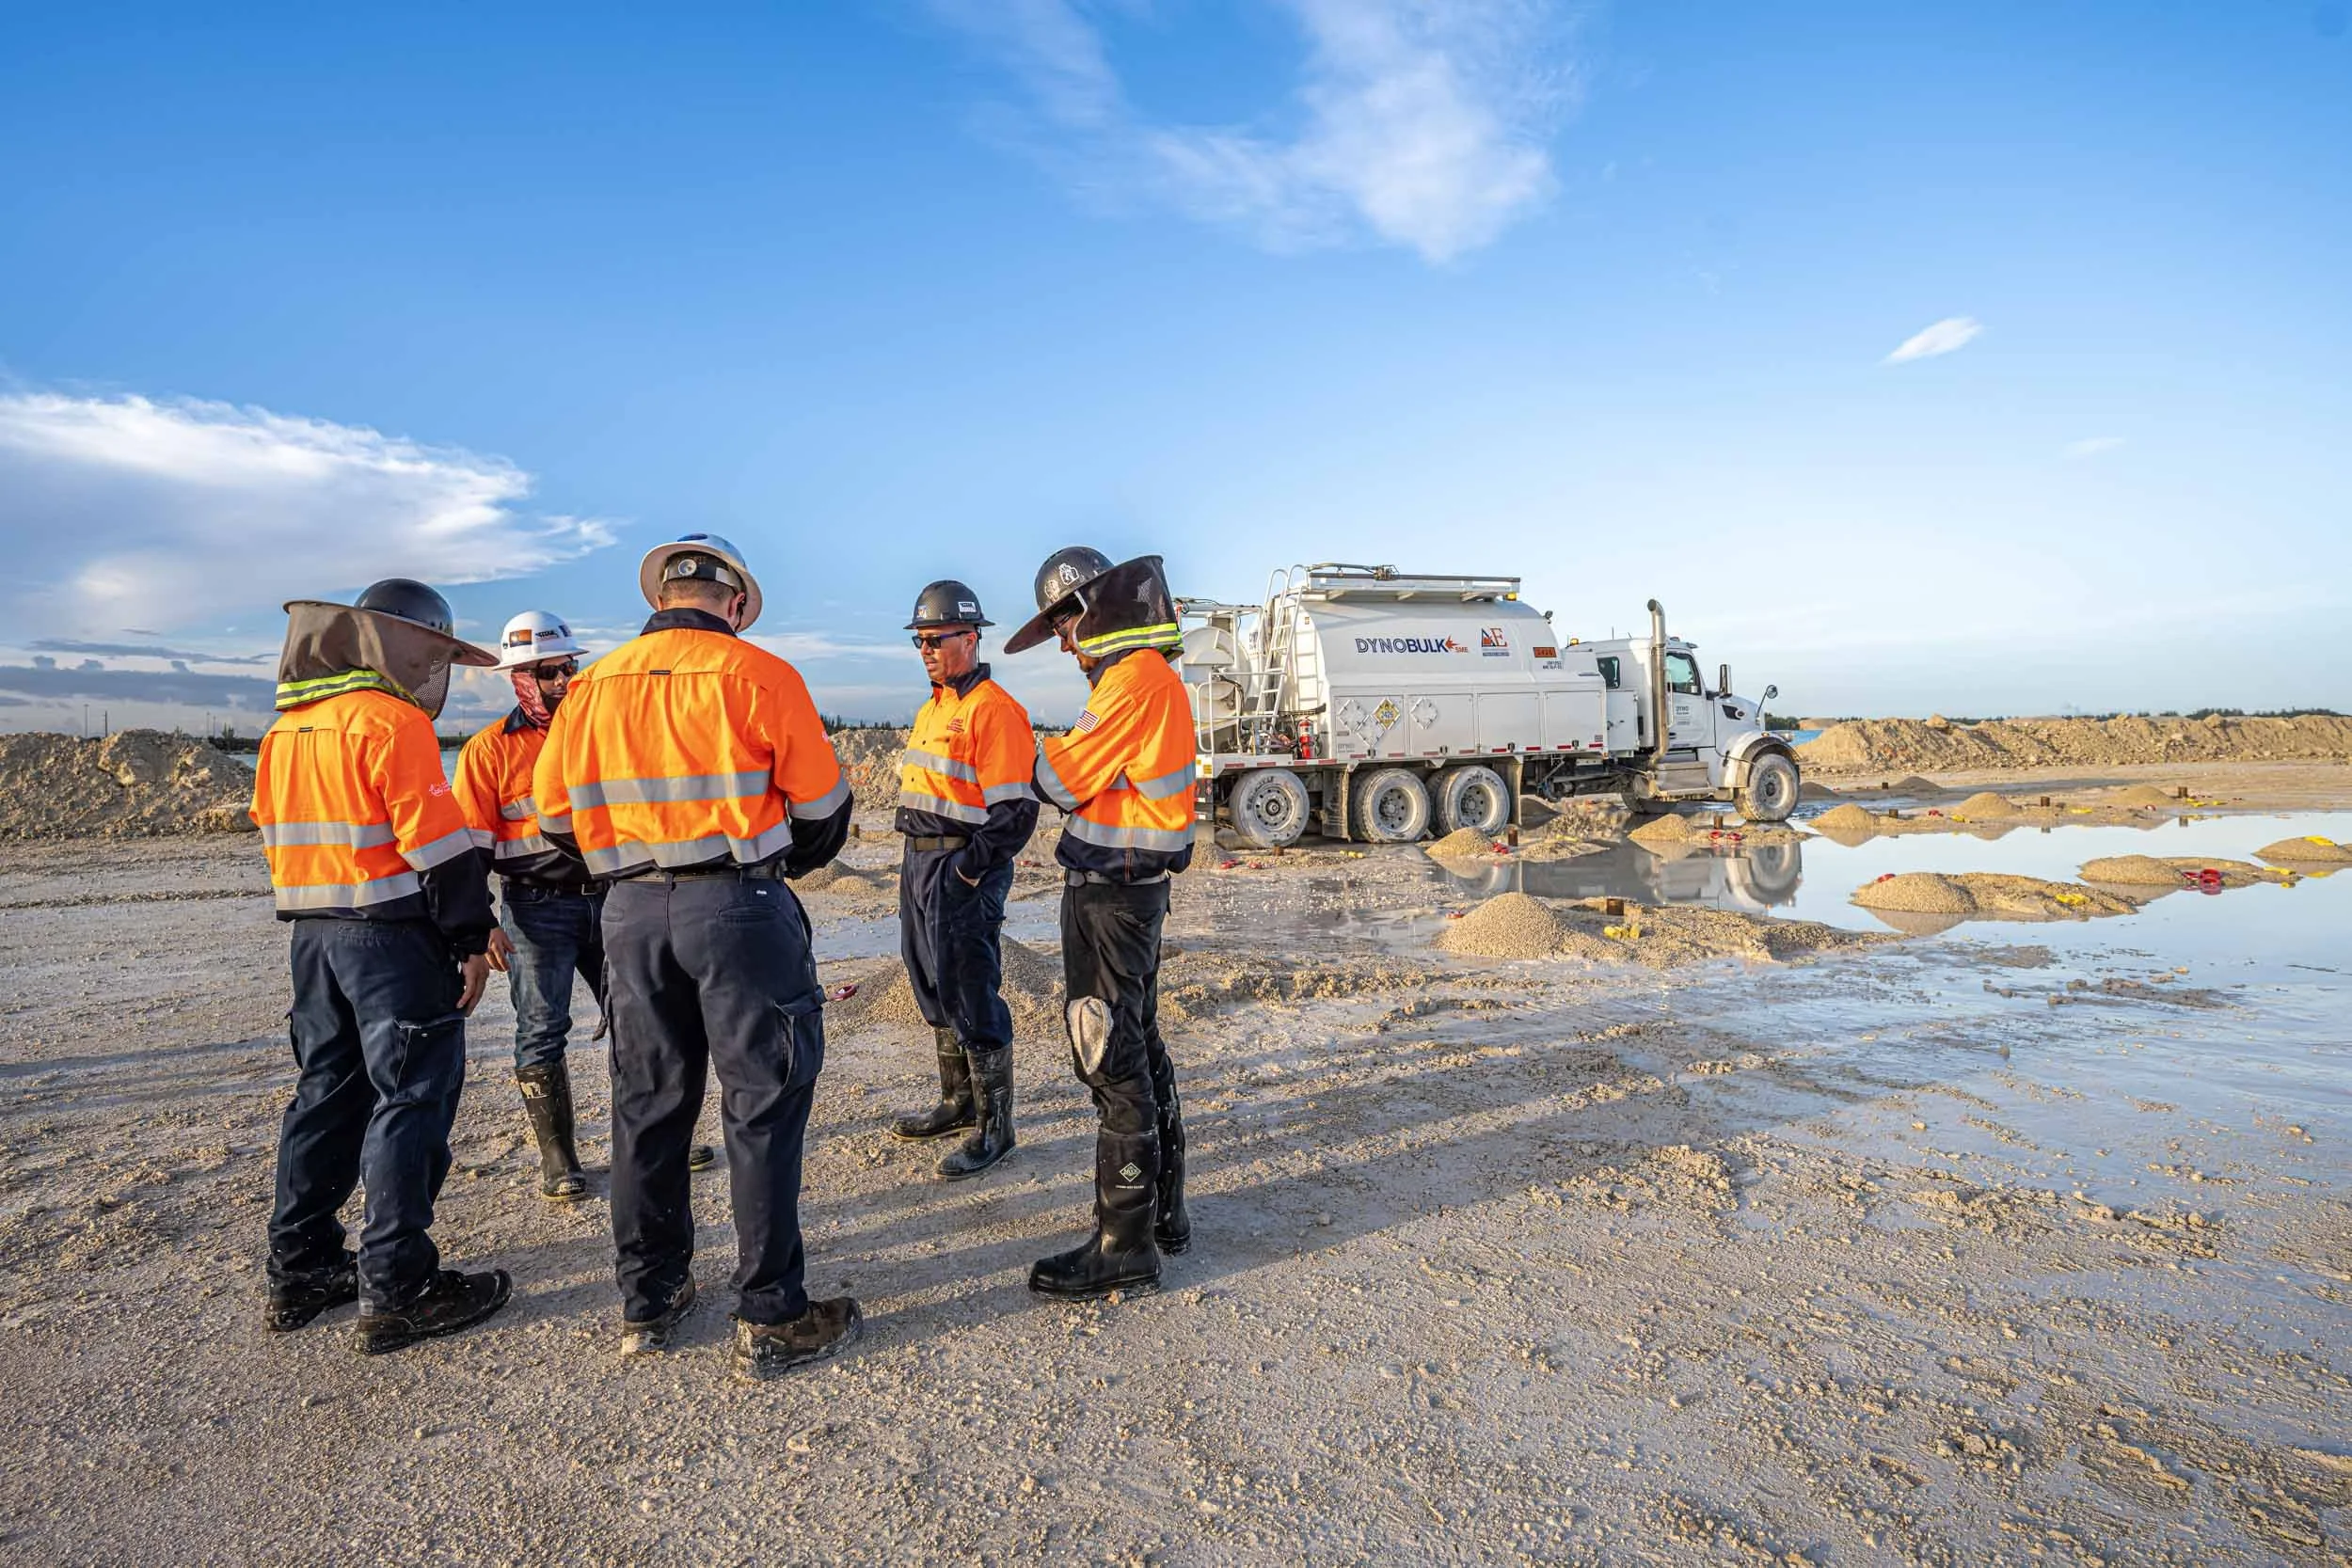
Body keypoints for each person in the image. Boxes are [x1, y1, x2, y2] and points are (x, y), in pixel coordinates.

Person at [534, 531, 863, 1377]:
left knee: (647, 1105)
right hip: (738, 905)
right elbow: (824, 809)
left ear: (661, 597)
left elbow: (553, 821)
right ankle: (770, 1312)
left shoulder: (591, 686)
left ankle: (650, 1298)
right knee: (762, 1102)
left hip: (629, 912)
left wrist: (630, 865)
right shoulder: (762, 676)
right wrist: (762, 865)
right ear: (737, 602)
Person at [252, 578, 514, 1354]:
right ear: (404, 648)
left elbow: (274, 831)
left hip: (313, 940)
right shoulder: (389, 721)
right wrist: (471, 938)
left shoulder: (284, 731)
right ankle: (399, 1285)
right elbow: (440, 848)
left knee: (325, 1096)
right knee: (413, 1097)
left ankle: (300, 1268)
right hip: (389, 941)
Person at [1003, 547, 1196, 1300]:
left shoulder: (1132, 682)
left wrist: (1015, 739)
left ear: (1093, 609)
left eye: (1063, 621)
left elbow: (1058, 778)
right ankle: (1163, 1214)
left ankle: (1124, 1242)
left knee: (1110, 1054)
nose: (1061, 640)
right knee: (1139, 1042)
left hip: (1111, 897)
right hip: (1131, 891)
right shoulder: (1153, 678)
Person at [889, 580, 1038, 1180]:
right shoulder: (935, 706)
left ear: (971, 638)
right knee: (930, 981)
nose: (925, 649)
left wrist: (968, 872)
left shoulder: (993, 710)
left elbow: (1016, 814)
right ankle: (958, 1101)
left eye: (935, 638)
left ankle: (995, 1128)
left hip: (960, 865)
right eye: (919, 640)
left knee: (970, 988)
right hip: (918, 859)